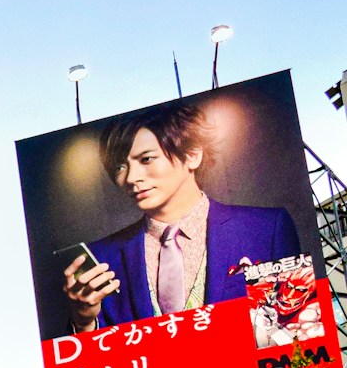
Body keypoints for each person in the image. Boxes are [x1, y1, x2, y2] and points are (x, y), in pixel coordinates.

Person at [62, 98, 299, 333]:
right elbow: (97, 364)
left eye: (146, 159)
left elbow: (294, 334)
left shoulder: (267, 229)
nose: (132, 177)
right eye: (120, 167)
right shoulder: (101, 258)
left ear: (192, 155)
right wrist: (83, 322)